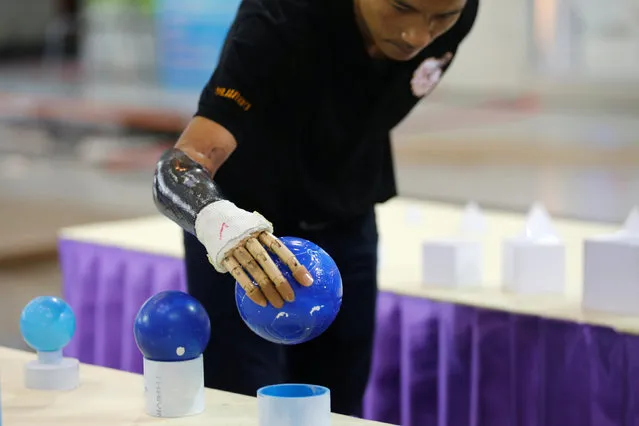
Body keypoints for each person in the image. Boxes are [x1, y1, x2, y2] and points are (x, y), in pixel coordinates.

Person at [152, 0, 478, 416]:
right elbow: (180, 165)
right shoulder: (277, 18)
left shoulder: (457, 13)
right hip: (244, 236)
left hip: (347, 212)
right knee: (239, 403)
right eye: (401, 7)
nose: (418, 35)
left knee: (339, 404)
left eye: (440, 18)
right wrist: (219, 222)